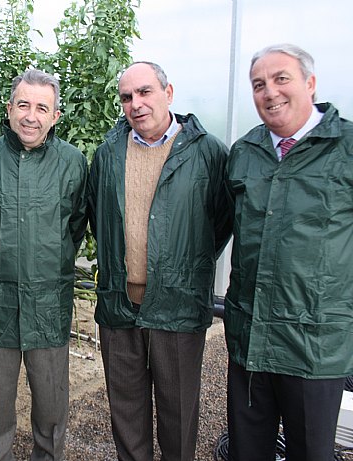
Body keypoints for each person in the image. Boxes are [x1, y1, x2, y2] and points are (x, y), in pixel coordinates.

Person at [86, 61, 232, 461]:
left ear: (168, 93)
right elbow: (102, 220)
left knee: (178, 413)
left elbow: (221, 222)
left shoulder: (208, 152)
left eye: (145, 92)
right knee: (126, 416)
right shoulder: (108, 154)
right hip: (121, 306)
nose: (136, 104)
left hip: (179, 306)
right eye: (127, 97)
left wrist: (184, 267)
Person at [225, 43, 353, 461]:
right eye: (259, 84)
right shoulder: (246, 152)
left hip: (314, 343)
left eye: (282, 79)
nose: (270, 92)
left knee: (311, 451)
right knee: (248, 450)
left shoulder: (345, 148)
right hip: (251, 337)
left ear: (310, 84)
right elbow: (222, 226)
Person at [0, 69, 88, 461]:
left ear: (55, 116)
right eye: (23, 105)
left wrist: (48, 266)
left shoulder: (72, 163)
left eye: (42, 107)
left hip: (48, 304)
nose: (30, 116)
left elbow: (75, 226)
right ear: (9, 109)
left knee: (51, 402)